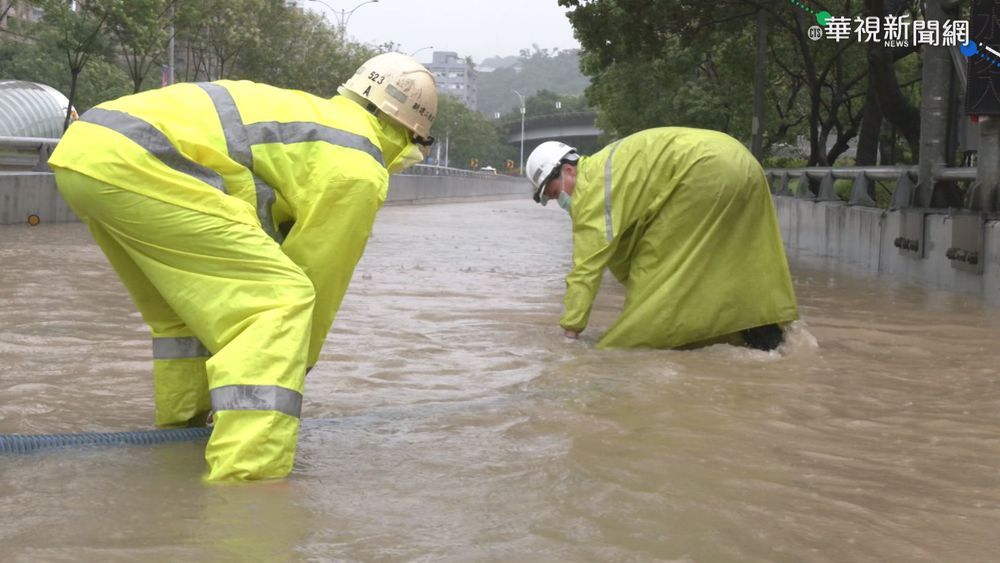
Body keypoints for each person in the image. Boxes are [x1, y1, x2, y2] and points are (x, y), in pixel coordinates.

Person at [47, 53, 437, 481]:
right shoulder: (358, 165)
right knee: (279, 305)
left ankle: (181, 439)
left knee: (187, 321)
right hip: (146, 160)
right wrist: (289, 364)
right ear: (409, 133)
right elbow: (316, 278)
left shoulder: (314, 122)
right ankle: (248, 485)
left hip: (88, 152)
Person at [525, 127, 799, 350]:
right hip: (742, 160)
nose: (556, 200)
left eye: (552, 191)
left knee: (655, 275)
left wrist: (569, 336)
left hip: (703, 170)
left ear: (569, 171)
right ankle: (765, 335)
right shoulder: (609, 165)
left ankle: (648, 347)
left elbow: (585, 270)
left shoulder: (591, 191)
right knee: (732, 259)